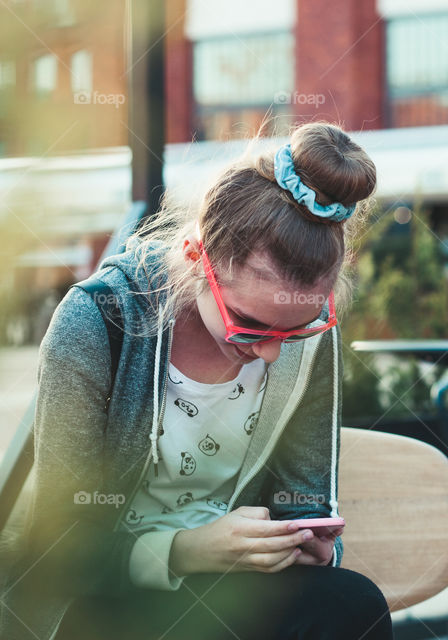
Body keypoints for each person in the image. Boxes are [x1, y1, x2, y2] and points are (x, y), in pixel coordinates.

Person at [0, 122, 394, 640]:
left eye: (297, 327)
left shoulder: (308, 336)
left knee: (353, 604)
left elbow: (308, 500)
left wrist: (310, 544)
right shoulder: (98, 319)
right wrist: (191, 550)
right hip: (103, 596)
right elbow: (60, 550)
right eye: (248, 325)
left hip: (231, 590)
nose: (273, 350)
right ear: (194, 257)